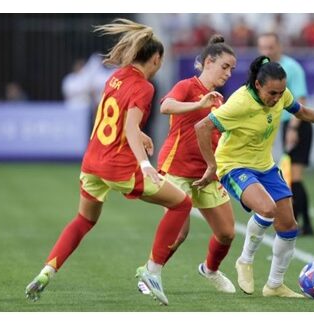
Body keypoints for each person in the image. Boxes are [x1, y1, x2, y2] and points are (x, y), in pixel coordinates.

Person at [25, 19, 192, 306]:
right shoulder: (144, 87)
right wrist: (144, 163)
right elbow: (127, 127)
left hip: (92, 162)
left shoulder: (116, 77)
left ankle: (46, 272)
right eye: (161, 61)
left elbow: (114, 119)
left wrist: (138, 134)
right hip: (120, 167)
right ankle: (151, 271)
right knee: (182, 204)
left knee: (84, 219)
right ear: (155, 58)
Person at [194, 56, 314, 298]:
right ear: (258, 85)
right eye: (272, 93)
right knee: (267, 209)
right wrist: (211, 165)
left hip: (265, 166)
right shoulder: (240, 102)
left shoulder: (281, 95)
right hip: (234, 166)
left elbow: (301, 112)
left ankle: (274, 285)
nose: (277, 98)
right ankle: (245, 259)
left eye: (281, 92)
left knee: (289, 226)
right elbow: (202, 127)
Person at [151, 35, 237, 293]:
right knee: (179, 233)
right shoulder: (187, 86)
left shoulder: (219, 100)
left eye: (232, 69)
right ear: (208, 62)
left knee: (227, 233)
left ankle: (210, 269)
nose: (229, 73)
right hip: (176, 169)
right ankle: (151, 273)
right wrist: (198, 103)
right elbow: (165, 106)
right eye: (225, 66)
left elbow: (218, 137)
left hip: (206, 172)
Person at [257, 32, 314, 236]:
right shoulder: (264, 70)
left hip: (297, 125)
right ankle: (303, 224)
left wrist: (293, 129)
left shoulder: (292, 68)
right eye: (263, 47)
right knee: (289, 176)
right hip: (282, 126)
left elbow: (301, 102)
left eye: (270, 47)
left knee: (294, 177)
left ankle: (302, 224)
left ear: (279, 46)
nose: (266, 51)